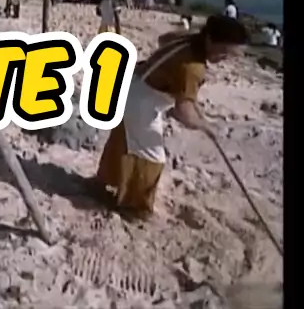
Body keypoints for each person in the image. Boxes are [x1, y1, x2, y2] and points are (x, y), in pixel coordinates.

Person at [89, 15, 249, 220]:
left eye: (230, 55)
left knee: (126, 140)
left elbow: (163, 39)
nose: (224, 58)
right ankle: (134, 207)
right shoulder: (193, 68)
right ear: (210, 39)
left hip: (132, 84)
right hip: (141, 100)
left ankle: (103, 183)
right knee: (151, 156)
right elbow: (183, 113)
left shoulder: (188, 39)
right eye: (224, 51)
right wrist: (205, 126)